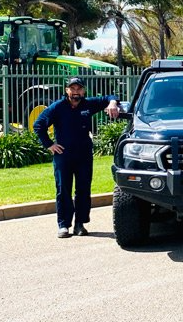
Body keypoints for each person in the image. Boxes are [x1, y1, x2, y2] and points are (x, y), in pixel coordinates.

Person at [33, 77, 120, 238]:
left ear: (83, 91)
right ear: (67, 90)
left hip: (84, 155)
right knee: (63, 189)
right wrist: (49, 145)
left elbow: (109, 97)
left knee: (83, 189)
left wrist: (112, 103)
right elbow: (38, 125)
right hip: (63, 155)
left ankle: (80, 224)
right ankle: (64, 225)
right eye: (72, 89)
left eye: (79, 89)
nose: (76, 92)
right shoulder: (57, 107)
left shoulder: (88, 104)